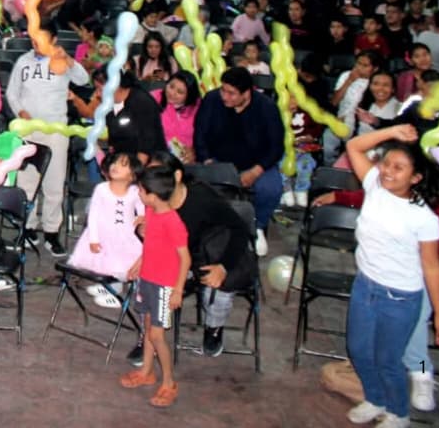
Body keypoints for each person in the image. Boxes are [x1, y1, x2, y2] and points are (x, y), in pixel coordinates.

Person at [335, 125, 439, 428]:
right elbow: (355, 146)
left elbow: (432, 266)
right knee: (359, 350)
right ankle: (376, 398)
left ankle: (401, 409)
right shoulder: (374, 185)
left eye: (398, 168)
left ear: (415, 178)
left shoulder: (424, 217)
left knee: (396, 358)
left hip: (401, 297)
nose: (387, 171)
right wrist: (392, 132)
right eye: (386, 163)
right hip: (366, 286)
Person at [6, 34, 88, 257]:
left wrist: (69, 60)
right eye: (33, 39)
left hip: (55, 131)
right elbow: (12, 93)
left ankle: (51, 232)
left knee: (53, 183)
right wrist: (20, 111)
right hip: (29, 129)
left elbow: (83, 80)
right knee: (26, 182)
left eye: (40, 39)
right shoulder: (23, 61)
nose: (35, 44)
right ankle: (28, 228)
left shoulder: (61, 60)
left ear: (53, 39)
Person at [119, 165, 190, 408]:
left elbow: (185, 258)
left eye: (141, 190)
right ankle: (147, 372)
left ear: (153, 194)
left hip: (164, 285)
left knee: (158, 335)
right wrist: (140, 263)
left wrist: (178, 289)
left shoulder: (173, 222)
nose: (138, 193)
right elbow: (151, 244)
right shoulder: (150, 212)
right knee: (148, 327)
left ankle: (169, 381)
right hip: (147, 278)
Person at [193, 67, 283, 256]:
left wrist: (256, 171)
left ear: (247, 93)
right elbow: (200, 134)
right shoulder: (211, 100)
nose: (225, 96)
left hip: (256, 164)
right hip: (218, 161)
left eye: (231, 93)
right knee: (201, 188)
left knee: (271, 189)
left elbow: (276, 147)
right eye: (223, 90)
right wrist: (207, 160)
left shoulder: (266, 108)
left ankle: (257, 225)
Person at [67, 152, 146, 308]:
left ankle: (130, 292)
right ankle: (111, 288)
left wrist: (143, 216)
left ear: (132, 175)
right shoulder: (101, 189)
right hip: (104, 234)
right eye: (114, 163)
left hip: (125, 235)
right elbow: (94, 216)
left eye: (123, 165)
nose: (115, 166)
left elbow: (141, 206)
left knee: (126, 261)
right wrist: (93, 239)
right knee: (108, 262)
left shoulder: (135, 191)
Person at [105, 71, 168, 161]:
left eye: (100, 89)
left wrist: (133, 173)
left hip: (149, 163)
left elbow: (146, 147)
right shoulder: (109, 104)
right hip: (124, 158)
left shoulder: (141, 102)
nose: (98, 94)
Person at [151, 71, 200, 162]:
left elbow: (204, 136)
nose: (172, 93)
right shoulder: (152, 98)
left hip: (187, 158)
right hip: (157, 155)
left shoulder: (199, 107)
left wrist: (195, 150)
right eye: (171, 86)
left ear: (189, 96)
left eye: (180, 92)